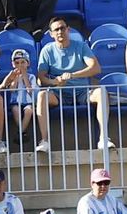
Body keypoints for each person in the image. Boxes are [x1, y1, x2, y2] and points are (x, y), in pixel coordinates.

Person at [34, 16, 113, 152]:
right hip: (59, 93)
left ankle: (103, 138)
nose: (60, 32)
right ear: (51, 34)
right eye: (56, 29)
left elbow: (95, 68)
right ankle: (44, 141)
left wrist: (72, 75)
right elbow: (41, 78)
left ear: (68, 30)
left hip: (82, 91)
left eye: (62, 28)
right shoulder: (47, 50)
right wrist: (55, 81)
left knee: (101, 92)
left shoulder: (81, 46)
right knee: (41, 95)